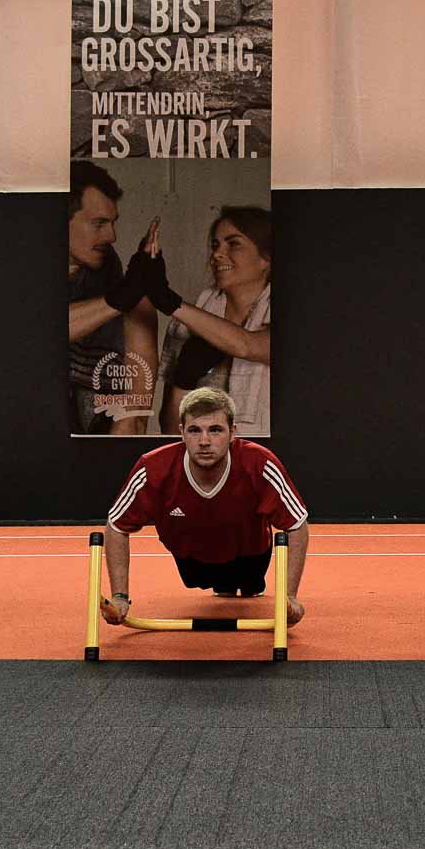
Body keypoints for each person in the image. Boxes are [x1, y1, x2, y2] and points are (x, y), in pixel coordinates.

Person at [100, 387, 308, 624]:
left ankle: (241, 583)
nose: (204, 441)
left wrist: (290, 596)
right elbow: (116, 525)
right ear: (182, 433)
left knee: (248, 587)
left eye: (216, 430)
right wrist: (119, 597)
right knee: (212, 584)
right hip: (192, 560)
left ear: (232, 433)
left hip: (249, 555)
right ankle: (223, 583)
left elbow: (297, 523)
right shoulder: (153, 468)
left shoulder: (260, 463)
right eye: (195, 430)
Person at [146, 206, 274, 436]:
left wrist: (168, 300)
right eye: (215, 245)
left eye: (233, 244)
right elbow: (170, 431)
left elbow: (248, 345)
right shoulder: (186, 324)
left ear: (266, 258)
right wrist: (183, 380)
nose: (216, 254)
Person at [67, 160, 160, 435]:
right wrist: (118, 298)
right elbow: (32, 330)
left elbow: (136, 411)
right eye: (99, 224)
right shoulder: (21, 268)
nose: (113, 236)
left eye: (113, 223)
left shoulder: (113, 273)